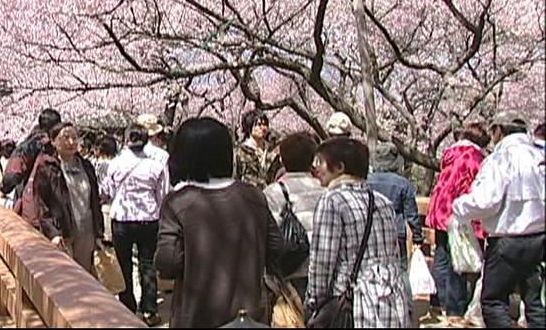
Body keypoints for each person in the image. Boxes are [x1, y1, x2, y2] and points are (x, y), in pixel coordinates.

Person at [155, 117, 284, 328]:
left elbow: (167, 263)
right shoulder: (253, 196)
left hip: (197, 316)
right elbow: (276, 249)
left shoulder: (178, 202)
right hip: (249, 316)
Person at [452, 111, 545, 328]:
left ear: (499, 131)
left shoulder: (500, 159)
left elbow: (485, 201)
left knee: (494, 301)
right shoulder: (540, 157)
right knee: (536, 303)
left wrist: (459, 206)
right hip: (539, 238)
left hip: (506, 241)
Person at [306, 137, 409, 327]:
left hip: (354, 305)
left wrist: (314, 302)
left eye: (320, 162)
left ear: (339, 167)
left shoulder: (332, 201)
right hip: (389, 300)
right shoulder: (382, 202)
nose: (315, 168)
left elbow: (322, 263)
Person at [101, 123, 169, 326]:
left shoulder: (116, 163)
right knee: (147, 263)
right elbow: (163, 194)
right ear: (146, 140)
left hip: (122, 218)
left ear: (126, 140)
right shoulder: (155, 165)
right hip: (148, 218)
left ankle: (127, 306)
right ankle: (149, 309)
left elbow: (109, 191)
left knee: (124, 263)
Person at [425, 121, 490, 326]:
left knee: (441, 256)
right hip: (459, 213)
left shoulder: (449, 154)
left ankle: (438, 302)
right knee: (458, 261)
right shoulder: (475, 157)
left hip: (440, 209)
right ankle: (455, 308)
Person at [32, 122, 104, 274]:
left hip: (87, 231)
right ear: (53, 141)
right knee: (68, 276)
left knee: (86, 276)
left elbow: (95, 201)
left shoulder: (86, 166)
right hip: (63, 233)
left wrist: (99, 233)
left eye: (74, 138)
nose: (71, 142)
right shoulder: (47, 169)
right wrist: (53, 233)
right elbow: (41, 204)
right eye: (65, 138)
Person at [263, 132, 324, 301]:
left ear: (282, 159)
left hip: (289, 272)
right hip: (321, 268)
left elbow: (268, 237)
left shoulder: (273, 192)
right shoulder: (325, 189)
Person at [367, 142, 424, 270]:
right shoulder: (403, 184)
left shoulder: (365, 181)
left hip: (370, 230)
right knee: (400, 270)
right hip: (396, 230)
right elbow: (411, 214)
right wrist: (417, 237)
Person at [1, 108, 61, 201]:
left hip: (31, 197)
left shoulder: (28, 144)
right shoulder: (60, 143)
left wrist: (4, 188)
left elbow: (12, 175)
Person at [234, 109, 279, 190]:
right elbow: (235, 178)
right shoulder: (240, 152)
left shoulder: (272, 152)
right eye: (259, 125)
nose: (263, 128)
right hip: (248, 197)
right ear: (249, 127)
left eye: (265, 124)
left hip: (271, 197)